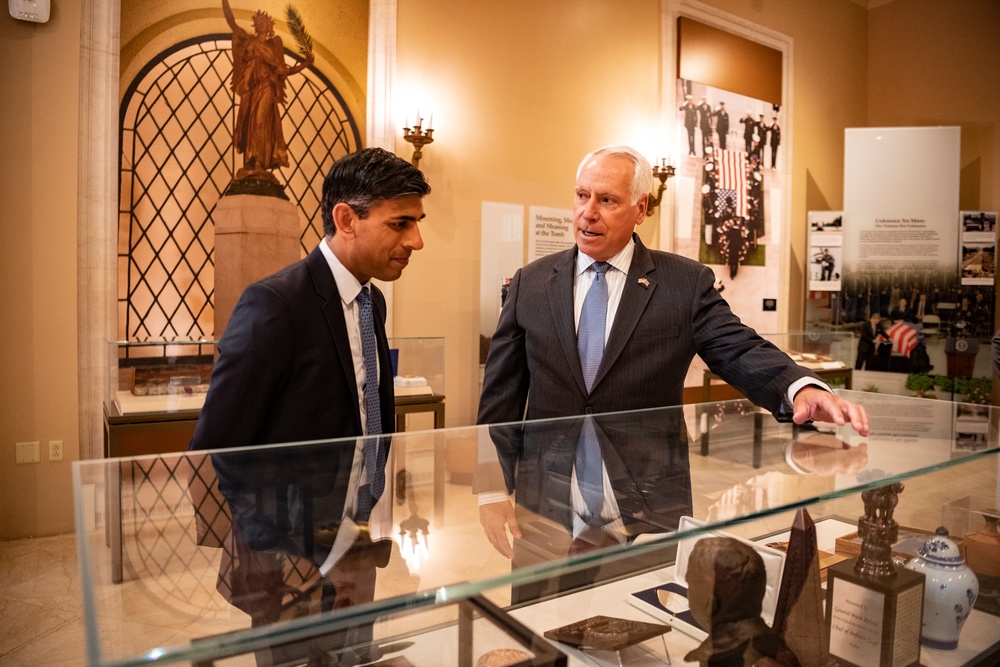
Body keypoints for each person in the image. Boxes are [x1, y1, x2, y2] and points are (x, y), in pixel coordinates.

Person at [476, 146, 869, 582]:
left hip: (645, 505)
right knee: (539, 627)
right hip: (546, 504)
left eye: (607, 200)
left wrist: (801, 387)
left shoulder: (683, 283)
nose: (588, 213)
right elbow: (501, 396)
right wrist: (490, 489)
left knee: (641, 626)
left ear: (640, 208)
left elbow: (737, 348)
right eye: (581, 195)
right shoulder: (531, 282)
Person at [188, 147, 430, 665]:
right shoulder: (275, 303)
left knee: (351, 655)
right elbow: (216, 446)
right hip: (290, 555)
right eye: (401, 223)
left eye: (417, 223)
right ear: (346, 218)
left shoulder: (373, 300)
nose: (416, 240)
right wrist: (274, 552)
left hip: (356, 534)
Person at [223, 0, 314, 181]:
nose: (261, 24)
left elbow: (283, 71)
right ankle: (250, 161)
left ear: (269, 26)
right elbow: (232, 22)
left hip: (266, 88)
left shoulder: (274, 46)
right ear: (255, 26)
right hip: (250, 91)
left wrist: (305, 64)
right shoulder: (248, 41)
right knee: (249, 124)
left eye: (265, 21)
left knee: (261, 122)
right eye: (259, 22)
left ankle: (259, 161)